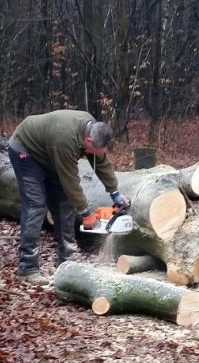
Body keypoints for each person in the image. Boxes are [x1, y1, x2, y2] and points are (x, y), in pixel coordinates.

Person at [8, 109, 130, 281]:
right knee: (36, 205)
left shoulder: (93, 130)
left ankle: (68, 257)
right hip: (26, 151)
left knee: (65, 203)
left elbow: (101, 162)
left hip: (49, 154)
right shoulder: (65, 141)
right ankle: (27, 268)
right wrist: (86, 213)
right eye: (95, 150)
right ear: (88, 141)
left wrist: (115, 193)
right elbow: (70, 181)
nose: (96, 155)